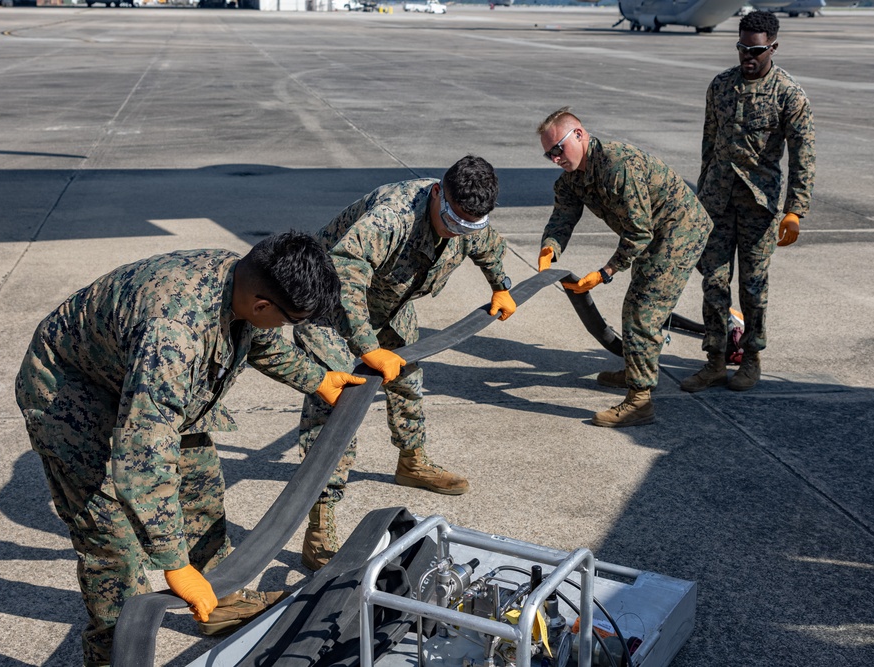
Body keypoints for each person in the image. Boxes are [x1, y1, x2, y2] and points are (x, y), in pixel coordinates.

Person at [14, 232, 365, 667]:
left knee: (200, 486)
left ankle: (220, 602)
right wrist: (173, 561)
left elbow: (259, 338)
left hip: (130, 370)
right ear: (262, 305)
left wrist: (317, 378)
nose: (286, 329)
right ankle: (116, 657)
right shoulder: (173, 333)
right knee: (113, 547)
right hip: (68, 393)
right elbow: (144, 449)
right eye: (289, 319)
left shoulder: (240, 278)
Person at [295, 155, 517, 570]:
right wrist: (365, 345)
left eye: (470, 224)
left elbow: (486, 244)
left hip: (390, 304)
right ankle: (319, 523)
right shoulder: (392, 217)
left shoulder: (467, 216)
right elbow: (346, 270)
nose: (459, 230)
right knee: (336, 410)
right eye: (453, 220)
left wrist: (500, 285)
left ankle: (411, 462)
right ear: (438, 194)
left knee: (408, 383)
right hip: (330, 307)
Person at [536, 109, 712, 428]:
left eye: (558, 149)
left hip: (679, 228)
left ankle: (640, 401)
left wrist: (604, 273)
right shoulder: (571, 179)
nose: (554, 158)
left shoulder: (618, 165)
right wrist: (551, 246)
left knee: (643, 310)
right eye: (548, 153)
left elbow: (639, 232)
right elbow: (562, 216)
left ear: (579, 135)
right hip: (652, 232)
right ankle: (637, 371)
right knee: (636, 306)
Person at [685, 9, 815, 393]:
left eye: (756, 50)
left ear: (772, 47)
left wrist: (795, 210)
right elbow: (708, 145)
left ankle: (752, 358)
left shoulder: (789, 94)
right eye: (742, 47)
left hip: (758, 206)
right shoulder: (721, 85)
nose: (747, 56)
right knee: (714, 282)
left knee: (754, 286)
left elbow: (803, 155)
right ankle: (715, 359)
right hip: (717, 201)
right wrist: (701, 196)